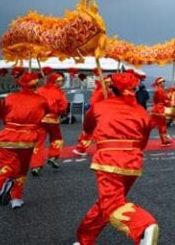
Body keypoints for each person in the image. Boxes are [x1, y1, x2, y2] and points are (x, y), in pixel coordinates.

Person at [74, 72, 159, 245]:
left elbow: (87, 126)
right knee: (106, 203)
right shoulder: (142, 111)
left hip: (109, 160)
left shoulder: (100, 106)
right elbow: (143, 140)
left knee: (112, 203)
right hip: (133, 163)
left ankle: (143, 227)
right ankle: (85, 238)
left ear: (113, 88)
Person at [0, 71, 50, 209]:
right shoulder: (41, 100)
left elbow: (3, 114)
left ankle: (4, 180)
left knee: (7, 164)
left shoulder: (10, 97)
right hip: (28, 137)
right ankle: (16, 198)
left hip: (8, 135)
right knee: (22, 168)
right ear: (36, 85)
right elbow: (47, 112)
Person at [30, 72, 69, 175]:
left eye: (61, 81)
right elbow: (63, 106)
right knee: (57, 139)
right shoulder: (59, 92)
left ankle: (36, 165)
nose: (60, 83)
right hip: (53, 120)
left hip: (39, 119)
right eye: (59, 81)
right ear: (54, 81)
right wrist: (60, 112)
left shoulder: (39, 90)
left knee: (38, 143)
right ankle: (53, 156)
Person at [73, 75, 113, 157]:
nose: (109, 84)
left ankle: (82, 148)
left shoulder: (104, 91)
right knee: (94, 132)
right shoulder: (103, 91)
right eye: (107, 82)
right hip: (98, 113)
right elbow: (94, 102)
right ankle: (83, 148)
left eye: (109, 82)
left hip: (98, 113)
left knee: (91, 132)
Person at [149, 77, 172, 147]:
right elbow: (166, 101)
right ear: (159, 83)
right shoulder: (160, 91)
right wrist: (169, 100)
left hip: (155, 109)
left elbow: (155, 100)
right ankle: (164, 141)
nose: (164, 83)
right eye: (163, 82)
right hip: (160, 110)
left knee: (151, 125)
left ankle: (165, 140)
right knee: (162, 125)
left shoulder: (157, 90)